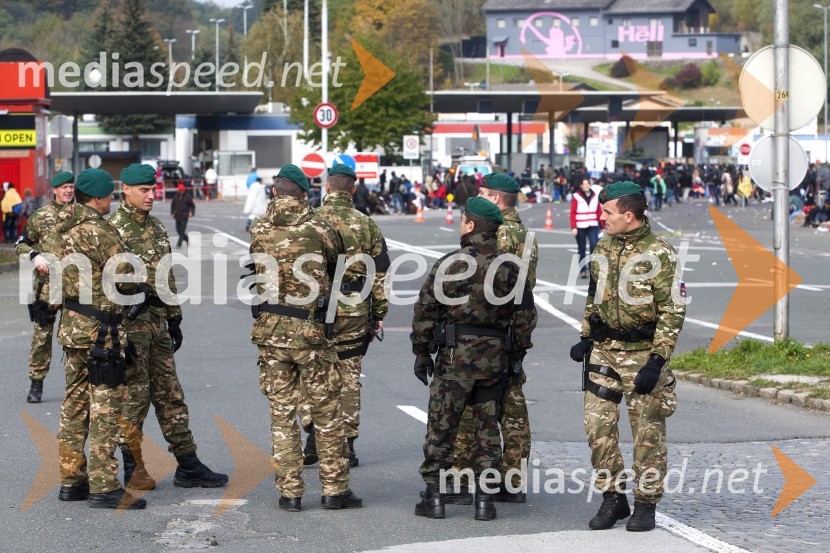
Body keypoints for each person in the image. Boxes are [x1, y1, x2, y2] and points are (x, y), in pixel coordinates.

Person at [569, 181, 686, 532]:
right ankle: (612, 498)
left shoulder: (660, 253)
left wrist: (657, 360)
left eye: (607, 212)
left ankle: (646, 503)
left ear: (629, 215)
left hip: (642, 355)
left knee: (646, 432)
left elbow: (672, 310)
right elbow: (594, 296)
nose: (600, 216)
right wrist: (586, 336)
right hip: (606, 351)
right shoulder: (603, 247)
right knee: (597, 427)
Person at [412, 197, 536, 521]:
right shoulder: (511, 268)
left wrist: (421, 352)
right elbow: (525, 318)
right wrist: (517, 354)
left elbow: (425, 310)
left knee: (441, 427)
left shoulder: (450, 264)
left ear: (469, 225)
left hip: (454, 359)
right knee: (487, 429)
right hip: (494, 361)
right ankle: (485, 501)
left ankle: (434, 497)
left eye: (461, 220)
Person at [249, 164, 362, 512]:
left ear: (275, 192)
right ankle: (334, 489)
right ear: (303, 193)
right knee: (326, 413)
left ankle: (290, 492)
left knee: (281, 414)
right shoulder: (320, 227)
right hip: (312, 333)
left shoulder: (259, 228)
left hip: (270, 332)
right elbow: (339, 267)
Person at [110, 163, 228, 492]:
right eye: (144, 191)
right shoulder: (113, 230)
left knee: (171, 395)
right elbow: (104, 286)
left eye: (153, 190)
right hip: (130, 326)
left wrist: (174, 317)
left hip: (158, 326)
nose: (151, 195)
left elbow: (167, 276)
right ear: (127, 191)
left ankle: (188, 465)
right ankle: (133, 466)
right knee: (135, 398)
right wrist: (118, 333)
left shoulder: (157, 228)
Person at [56, 168, 146, 509]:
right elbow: (124, 280)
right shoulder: (100, 231)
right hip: (102, 332)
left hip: (73, 328)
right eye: (109, 196)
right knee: (106, 408)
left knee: (74, 406)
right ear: (96, 199)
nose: (111, 201)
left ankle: (71, 480)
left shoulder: (64, 226)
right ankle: (104, 485)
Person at [451, 173, 539, 505]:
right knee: (513, 407)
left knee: (472, 406)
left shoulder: (496, 231)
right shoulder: (528, 235)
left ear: (496, 199)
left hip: (483, 331)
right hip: (514, 328)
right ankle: (512, 480)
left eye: (483, 194)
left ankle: (462, 477)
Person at [299, 164, 390, 469]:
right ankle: (347, 445)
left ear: (327, 187)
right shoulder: (366, 224)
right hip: (353, 307)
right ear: (353, 190)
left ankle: (313, 431)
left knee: (310, 371)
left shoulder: (310, 220)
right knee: (349, 375)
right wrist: (379, 312)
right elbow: (380, 271)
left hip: (314, 308)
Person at [16, 171, 75, 403]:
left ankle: (77, 384)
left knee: (75, 338)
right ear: (54, 189)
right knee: (42, 337)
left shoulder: (81, 216)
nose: (68, 191)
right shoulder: (41, 217)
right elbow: (21, 244)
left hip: (76, 290)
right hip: (47, 289)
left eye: (71, 186)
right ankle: (36, 382)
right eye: (64, 187)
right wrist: (33, 255)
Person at [571, 178, 603, 279]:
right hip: (580, 226)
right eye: (584, 184)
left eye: (587, 184)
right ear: (581, 185)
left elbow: (599, 211)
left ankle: (592, 268)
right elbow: (573, 212)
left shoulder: (595, 196)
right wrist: (573, 227)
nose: (586, 186)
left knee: (594, 246)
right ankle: (583, 270)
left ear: (590, 185)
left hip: (593, 225)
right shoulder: (576, 197)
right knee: (582, 249)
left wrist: (602, 225)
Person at [170, 183, 195, 247]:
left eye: (182, 190)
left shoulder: (188, 197)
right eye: (180, 190)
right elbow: (173, 205)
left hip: (184, 216)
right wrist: (172, 212)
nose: (181, 191)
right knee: (178, 230)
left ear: (184, 189)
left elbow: (192, 206)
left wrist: (191, 212)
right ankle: (187, 239)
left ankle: (179, 244)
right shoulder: (176, 197)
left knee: (182, 231)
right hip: (177, 216)